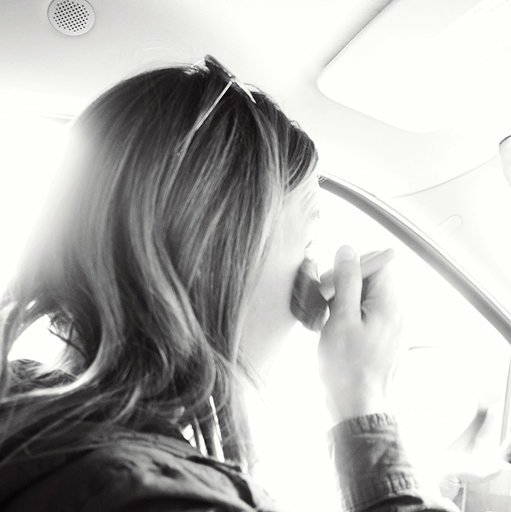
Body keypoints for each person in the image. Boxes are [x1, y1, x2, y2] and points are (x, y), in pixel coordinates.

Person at [0, 56, 459, 512]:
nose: (319, 291)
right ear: (213, 257)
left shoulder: (32, 426)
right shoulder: (155, 497)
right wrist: (364, 399)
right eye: (307, 245)